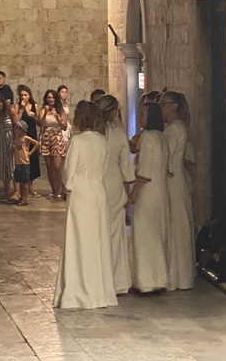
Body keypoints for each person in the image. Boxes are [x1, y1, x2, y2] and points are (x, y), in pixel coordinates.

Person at [53, 100, 117, 310]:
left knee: (79, 243)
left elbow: (69, 172)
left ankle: (78, 293)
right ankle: (100, 292)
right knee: (97, 243)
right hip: (98, 194)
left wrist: (67, 186)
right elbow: (105, 168)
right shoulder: (102, 141)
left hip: (81, 194)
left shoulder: (78, 142)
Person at [128, 101, 169, 293]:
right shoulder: (161, 137)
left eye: (142, 113)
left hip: (148, 191)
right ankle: (158, 278)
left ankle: (145, 281)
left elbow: (144, 170)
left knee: (144, 235)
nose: (139, 116)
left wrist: (133, 193)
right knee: (156, 234)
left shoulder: (148, 137)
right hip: (160, 191)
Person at [97, 94, 134, 295]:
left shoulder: (93, 133)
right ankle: (117, 281)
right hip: (113, 183)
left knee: (97, 231)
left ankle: (98, 278)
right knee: (115, 233)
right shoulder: (118, 133)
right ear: (113, 112)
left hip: (96, 182)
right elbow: (126, 166)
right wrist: (128, 192)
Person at [161, 90, 196, 291]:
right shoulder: (177, 127)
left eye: (164, 104)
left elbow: (169, 156)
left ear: (174, 106)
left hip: (173, 178)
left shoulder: (175, 129)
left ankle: (177, 275)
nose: (162, 108)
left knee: (176, 223)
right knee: (177, 223)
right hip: (176, 177)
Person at [38, 88, 68, 200]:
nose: (50, 99)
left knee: (57, 166)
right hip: (46, 137)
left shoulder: (61, 110)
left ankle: (59, 189)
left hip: (57, 136)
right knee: (49, 166)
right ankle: (54, 190)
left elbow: (64, 127)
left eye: (52, 97)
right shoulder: (43, 110)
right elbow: (40, 123)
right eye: (48, 97)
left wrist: (58, 119)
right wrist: (45, 112)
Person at [15, 85, 41, 196]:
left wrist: (34, 116)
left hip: (32, 134)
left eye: (25, 95)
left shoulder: (35, 106)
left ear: (29, 95)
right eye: (21, 95)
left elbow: (39, 122)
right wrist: (22, 108)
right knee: (22, 160)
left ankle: (31, 187)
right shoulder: (17, 105)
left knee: (33, 160)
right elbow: (16, 120)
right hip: (22, 136)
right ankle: (22, 188)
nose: (23, 97)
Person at [11, 120, 39, 206]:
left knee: (25, 181)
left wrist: (30, 153)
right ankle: (21, 196)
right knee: (19, 181)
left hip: (24, 162)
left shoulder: (25, 138)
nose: (15, 130)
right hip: (17, 162)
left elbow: (37, 143)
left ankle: (25, 198)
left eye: (17, 129)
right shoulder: (16, 139)